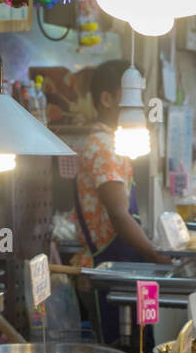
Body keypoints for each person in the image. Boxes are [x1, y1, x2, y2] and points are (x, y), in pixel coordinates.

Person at [73, 59, 170, 271]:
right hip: (106, 267)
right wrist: (156, 256)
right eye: (130, 97)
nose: (139, 105)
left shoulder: (114, 141)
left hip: (118, 261)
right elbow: (119, 214)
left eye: (139, 97)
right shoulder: (104, 146)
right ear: (106, 99)